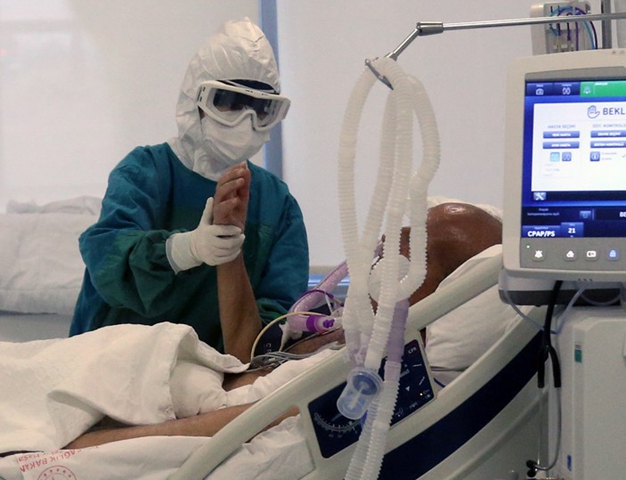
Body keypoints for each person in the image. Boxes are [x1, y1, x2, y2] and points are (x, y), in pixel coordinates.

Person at [57, 202, 505, 450]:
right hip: (133, 365)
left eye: (410, 242)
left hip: (142, 402)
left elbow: (237, 422)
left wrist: (86, 446)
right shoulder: (342, 331)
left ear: (430, 287)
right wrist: (226, 249)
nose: (385, 247)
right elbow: (245, 353)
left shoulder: (368, 377)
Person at [69, 18, 309, 361]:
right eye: (229, 102)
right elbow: (108, 260)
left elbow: (274, 330)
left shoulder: (277, 204)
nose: (246, 121)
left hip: (212, 379)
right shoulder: (146, 172)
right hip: (114, 363)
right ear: (195, 99)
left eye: (261, 109)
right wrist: (187, 248)